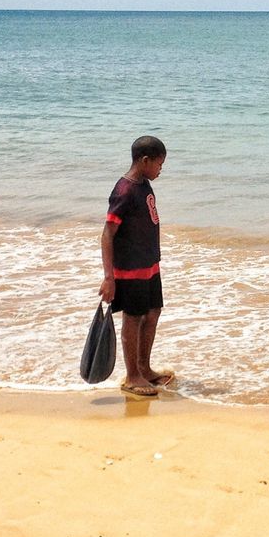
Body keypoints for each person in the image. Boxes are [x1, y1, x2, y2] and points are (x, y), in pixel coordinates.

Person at [100, 135, 172, 398]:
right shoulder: (125, 191)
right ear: (145, 160)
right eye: (159, 164)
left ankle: (144, 367)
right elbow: (107, 234)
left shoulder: (144, 185)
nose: (161, 170)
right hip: (130, 268)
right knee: (133, 318)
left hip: (149, 264)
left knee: (153, 313)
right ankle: (132, 376)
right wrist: (109, 277)